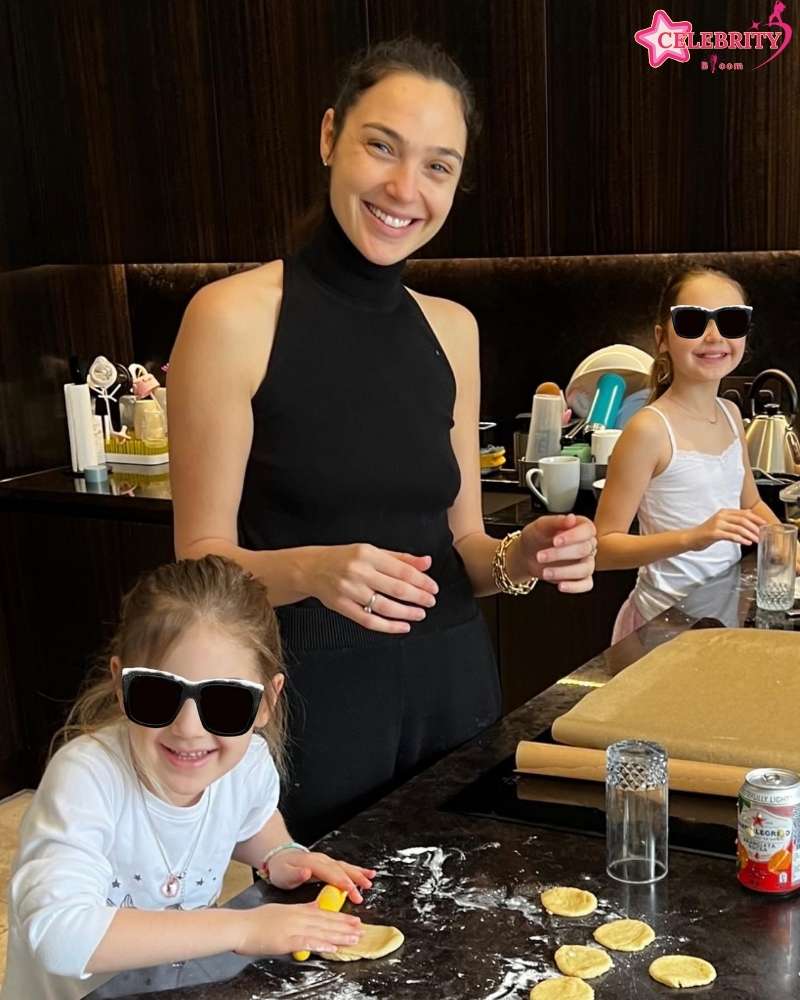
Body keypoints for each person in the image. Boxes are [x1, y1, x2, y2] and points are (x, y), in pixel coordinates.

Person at [167, 37, 596, 843]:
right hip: (314, 695)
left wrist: (523, 555)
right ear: (330, 137)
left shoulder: (454, 329)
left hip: (458, 682)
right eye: (381, 146)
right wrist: (311, 568)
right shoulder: (231, 317)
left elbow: (465, 542)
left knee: (464, 920)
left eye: (438, 166)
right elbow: (199, 563)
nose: (405, 188)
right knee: (325, 947)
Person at [1, 556, 372, 1000]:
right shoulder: (86, 779)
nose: (189, 728)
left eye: (227, 702)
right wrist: (243, 928)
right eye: (158, 694)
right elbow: (57, 936)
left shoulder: (247, 759)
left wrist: (279, 852)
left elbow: (250, 819)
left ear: (266, 702)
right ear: (120, 684)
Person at [595, 267, 790, 643]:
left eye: (731, 320)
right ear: (662, 338)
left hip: (719, 616)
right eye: (692, 322)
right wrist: (693, 537)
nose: (714, 335)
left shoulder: (732, 415)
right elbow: (603, 548)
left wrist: (787, 545)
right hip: (664, 625)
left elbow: (749, 502)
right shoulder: (649, 430)